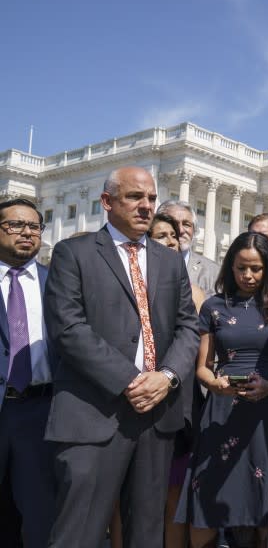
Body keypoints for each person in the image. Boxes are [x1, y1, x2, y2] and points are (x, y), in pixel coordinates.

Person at [44, 166, 200, 547]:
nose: (146, 206)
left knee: (146, 533)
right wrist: (131, 379)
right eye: (135, 197)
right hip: (94, 413)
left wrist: (166, 377)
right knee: (78, 532)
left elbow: (187, 328)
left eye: (151, 198)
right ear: (107, 202)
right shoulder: (73, 253)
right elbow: (68, 328)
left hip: (156, 416)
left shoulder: (168, 261)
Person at [176, 231, 268, 548]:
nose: (247, 275)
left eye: (256, 268)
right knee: (206, 498)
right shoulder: (214, 306)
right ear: (230, 266)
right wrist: (214, 383)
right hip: (221, 411)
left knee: (265, 502)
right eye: (241, 267)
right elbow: (203, 366)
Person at [0, 198, 57, 548]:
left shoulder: (60, 284)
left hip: (41, 411)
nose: (27, 233)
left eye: (34, 226)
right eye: (15, 225)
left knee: (40, 517)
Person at [147, 212, 206, 548]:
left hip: (180, 401)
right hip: (136, 397)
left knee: (173, 494)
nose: (171, 241)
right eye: (161, 236)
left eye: (174, 236)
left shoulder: (195, 291)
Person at [157, 200, 220, 295]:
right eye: (173, 223)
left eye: (186, 224)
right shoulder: (143, 263)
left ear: (194, 230)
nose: (180, 230)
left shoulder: (214, 272)